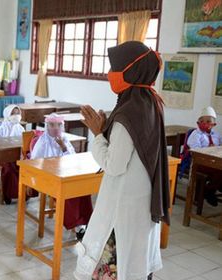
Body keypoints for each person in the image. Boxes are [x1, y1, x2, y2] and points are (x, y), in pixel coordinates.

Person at [74, 41, 169, 280]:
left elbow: (114, 165)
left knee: (121, 264)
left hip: (124, 206)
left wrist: (97, 134)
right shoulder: (150, 103)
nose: (110, 75)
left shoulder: (128, 113)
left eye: (115, 69)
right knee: (137, 258)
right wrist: (108, 131)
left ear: (130, 72)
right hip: (141, 199)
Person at [31, 113, 93, 240]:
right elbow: (34, 162)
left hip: (65, 173)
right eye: (52, 125)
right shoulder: (43, 142)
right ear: (47, 127)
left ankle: (85, 222)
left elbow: (72, 158)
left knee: (83, 190)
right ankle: (75, 224)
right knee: (69, 193)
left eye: (59, 125)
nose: (56, 128)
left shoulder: (64, 139)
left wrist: (63, 147)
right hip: (49, 177)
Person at [0, 105, 25, 204]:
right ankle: (8, 194)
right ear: (7, 115)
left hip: (18, 156)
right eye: (13, 113)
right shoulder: (1, 129)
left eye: (18, 113)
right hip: (4, 157)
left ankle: (24, 193)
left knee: (26, 168)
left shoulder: (20, 128)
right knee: (9, 169)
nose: (16, 116)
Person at [187, 106, 222, 206]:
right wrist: (207, 149)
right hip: (200, 162)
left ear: (214, 124)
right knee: (219, 171)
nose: (205, 123)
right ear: (198, 122)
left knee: (219, 169)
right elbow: (194, 150)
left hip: (212, 162)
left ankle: (212, 188)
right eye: (202, 121)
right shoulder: (196, 134)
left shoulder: (217, 135)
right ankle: (209, 191)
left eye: (208, 121)